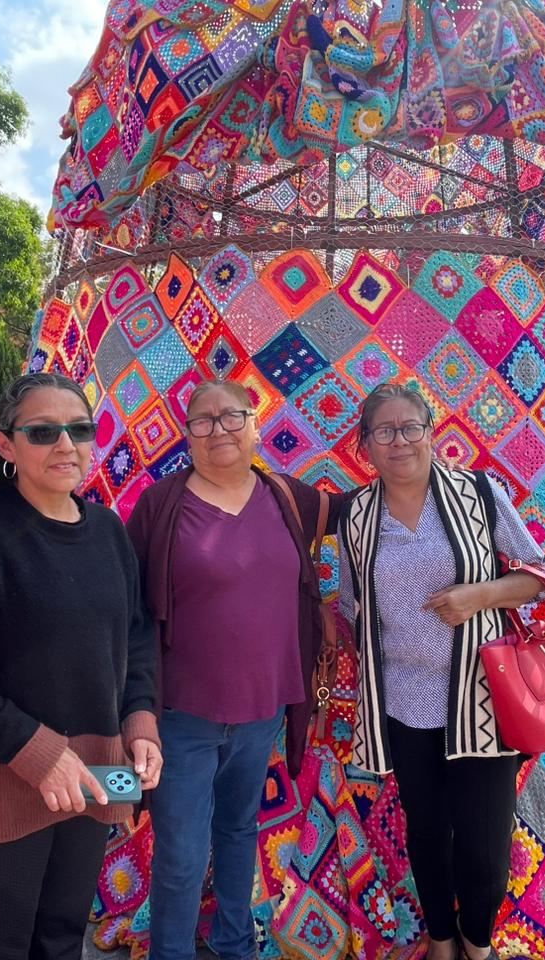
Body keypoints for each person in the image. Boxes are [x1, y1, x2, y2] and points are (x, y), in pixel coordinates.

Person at [0, 372, 162, 960]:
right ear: (6, 445)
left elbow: (136, 637)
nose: (66, 444)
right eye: (43, 432)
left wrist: (140, 721)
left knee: (63, 936)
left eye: (79, 429)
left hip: (95, 776)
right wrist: (38, 753)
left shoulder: (108, 531)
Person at [337, 382, 545, 960]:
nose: (399, 441)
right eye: (384, 431)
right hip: (405, 704)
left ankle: (477, 944)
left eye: (411, 427)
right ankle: (441, 940)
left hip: (481, 699)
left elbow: (537, 576)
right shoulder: (356, 515)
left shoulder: (478, 493)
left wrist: (480, 595)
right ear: (366, 445)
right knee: (427, 832)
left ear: (432, 433)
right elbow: (353, 605)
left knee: (484, 845)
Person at [125, 378, 334, 960]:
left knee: (240, 831)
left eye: (232, 416)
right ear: (187, 434)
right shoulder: (161, 505)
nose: (219, 428)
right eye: (203, 419)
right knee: (182, 853)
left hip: (264, 710)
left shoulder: (286, 496)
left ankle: (234, 943)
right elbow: (126, 603)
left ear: (256, 425)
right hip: (180, 718)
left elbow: (362, 512)